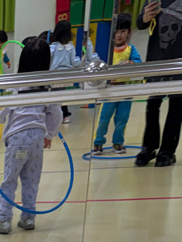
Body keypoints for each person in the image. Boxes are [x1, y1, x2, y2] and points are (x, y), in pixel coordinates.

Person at [0, 37, 63, 234]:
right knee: (31, 180)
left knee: (10, 180)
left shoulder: (16, 84)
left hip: (17, 140)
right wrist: (50, 134)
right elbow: (56, 113)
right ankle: (28, 217)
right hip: (37, 140)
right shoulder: (47, 87)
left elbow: (2, 110)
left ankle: (4, 220)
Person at [134, 0, 182, 167]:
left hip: (179, 62)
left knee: (176, 107)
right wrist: (146, 18)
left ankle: (167, 151)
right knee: (152, 104)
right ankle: (149, 147)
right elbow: (140, 23)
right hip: (156, 60)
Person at [92, 14, 142, 154]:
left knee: (122, 118)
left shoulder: (131, 49)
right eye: (116, 31)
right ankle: (98, 143)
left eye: (123, 31)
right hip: (109, 91)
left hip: (125, 90)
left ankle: (118, 143)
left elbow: (138, 62)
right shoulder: (107, 50)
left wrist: (130, 63)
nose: (119, 35)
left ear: (128, 32)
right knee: (104, 118)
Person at [49, 21, 80, 122]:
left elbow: (48, 61)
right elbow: (74, 62)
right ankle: (64, 116)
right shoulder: (70, 47)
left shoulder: (52, 47)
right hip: (66, 76)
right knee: (61, 95)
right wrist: (81, 62)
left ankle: (58, 116)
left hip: (54, 76)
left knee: (54, 97)